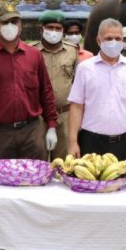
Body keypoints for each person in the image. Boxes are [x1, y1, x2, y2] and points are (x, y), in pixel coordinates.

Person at [0, 5, 58, 160]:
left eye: (14, 21)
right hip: (0, 133)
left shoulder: (34, 56)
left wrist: (51, 126)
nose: (10, 26)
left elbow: (46, 92)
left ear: (20, 25)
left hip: (32, 130)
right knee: (4, 180)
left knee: (34, 178)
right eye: (5, 22)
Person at [67, 18, 126, 161]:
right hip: (92, 143)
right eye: (108, 38)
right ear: (98, 40)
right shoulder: (85, 68)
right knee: (92, 182)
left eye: (118, 38)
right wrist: (72, 142)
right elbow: (76, 106)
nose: (113, 42)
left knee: (124, 182)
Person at [32, 10, 78, 158]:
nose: (54, 32)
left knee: (65, 162)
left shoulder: (72, 51)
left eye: (58, 29)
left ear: (63, 31)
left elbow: (77, 81)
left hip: (65, 115)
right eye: (50, 28)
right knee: (38, 160)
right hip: (38, 117)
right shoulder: (31, 51)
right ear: (42, 30)